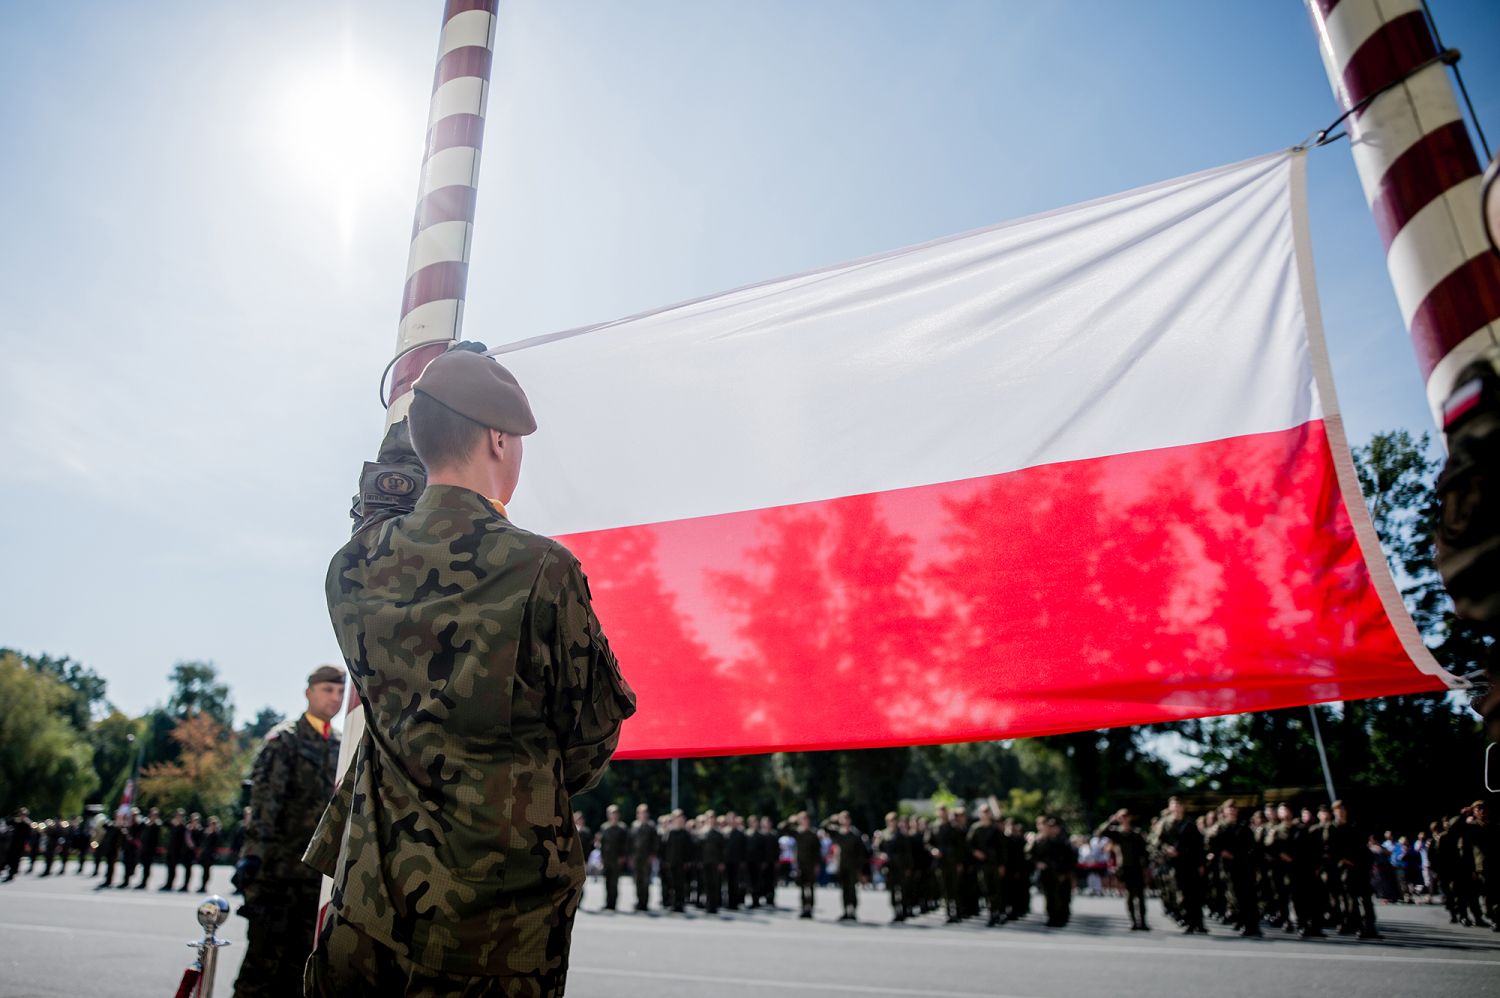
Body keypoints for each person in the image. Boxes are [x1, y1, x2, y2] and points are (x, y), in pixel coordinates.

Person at [303, 344, 636, 998]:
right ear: (499, 437)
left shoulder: (352, 567)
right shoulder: (543, 569)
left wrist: (432, 396)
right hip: (492, 931)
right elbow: (591, 739)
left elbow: (386, 499)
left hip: (366, 906)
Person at [229, 665, 345, 998]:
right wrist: (253, 859)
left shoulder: (341, 744)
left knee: (300, 971)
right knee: (262, 969)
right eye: (327, 690)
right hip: (278, 874)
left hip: (315, 878)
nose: (334, 698)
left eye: (339, 692)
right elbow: (265, 806)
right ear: (308, 692)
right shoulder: (285, 740)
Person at [1096, 809, 1149, 930]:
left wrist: (1146, 867)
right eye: (1122, 817)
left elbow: (1144, 852)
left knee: (1140, 896)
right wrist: (1111, 821)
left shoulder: (1137, 833)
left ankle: (1143, 921)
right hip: (1125, 867)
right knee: (1130, 895)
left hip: (1137, 867)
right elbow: (1101, 832)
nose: (1124, 819)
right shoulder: (1117, 833)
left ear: (1130, 818)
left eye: (1126, 816)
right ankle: (1134, 921)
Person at [628, 804, 659, 912]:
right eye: (640, 812)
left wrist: (653, 855)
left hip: (647, 858)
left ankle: (644, 903)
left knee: (646, 881)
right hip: (636, 857)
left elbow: (655, 843)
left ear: (647, 814)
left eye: (644, 812)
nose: (643, 815)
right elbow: (630, 842)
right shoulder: (634, 826)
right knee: (637, 880)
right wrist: (630, 857)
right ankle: (638, 901)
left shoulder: (651, 826)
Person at [598, 804, 629, 911]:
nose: (613, 816)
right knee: (607, 881)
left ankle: (613, 904)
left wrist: (623, 857)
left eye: (615, 813)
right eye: (611, 813)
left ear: (618, 815)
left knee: (614, 882)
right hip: (606, 858)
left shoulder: (622, 828)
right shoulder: (604, 827)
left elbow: (625, 844)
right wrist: (601, 858)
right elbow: (602, 844)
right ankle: (607, 903)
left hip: (617, 859)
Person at [136, 807, 162, 889]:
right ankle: (142, 881)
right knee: (143, 865)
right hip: (144, 847)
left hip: (151, 849)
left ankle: (144, 882)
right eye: (152, 814)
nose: (153, 816)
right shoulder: (146, 824)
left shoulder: (157, 825)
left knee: (147, 866)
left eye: (155, 815)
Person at [196, 815, 221, 892]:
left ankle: (204, 886)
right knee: (203, 870)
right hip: (204, 854)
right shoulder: (206, 832)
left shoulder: (216, 834)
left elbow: (216, 845)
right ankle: (202, 885)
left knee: (207, 871)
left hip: (210, 855)